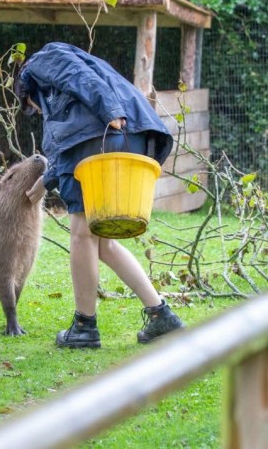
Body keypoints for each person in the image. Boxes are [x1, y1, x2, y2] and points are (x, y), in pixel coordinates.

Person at [16, 42, 185, 348]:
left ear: (25, 89)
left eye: (32, 106)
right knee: (102, 243)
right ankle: (162, 316)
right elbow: (68, 148)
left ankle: (84, 326)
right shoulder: (80, 101)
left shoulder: (42, 60)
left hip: (105, 137)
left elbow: (75, 74)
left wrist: (110, 111)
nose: (38, 111)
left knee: (81, 234)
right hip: (128, 137)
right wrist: (42, 184)